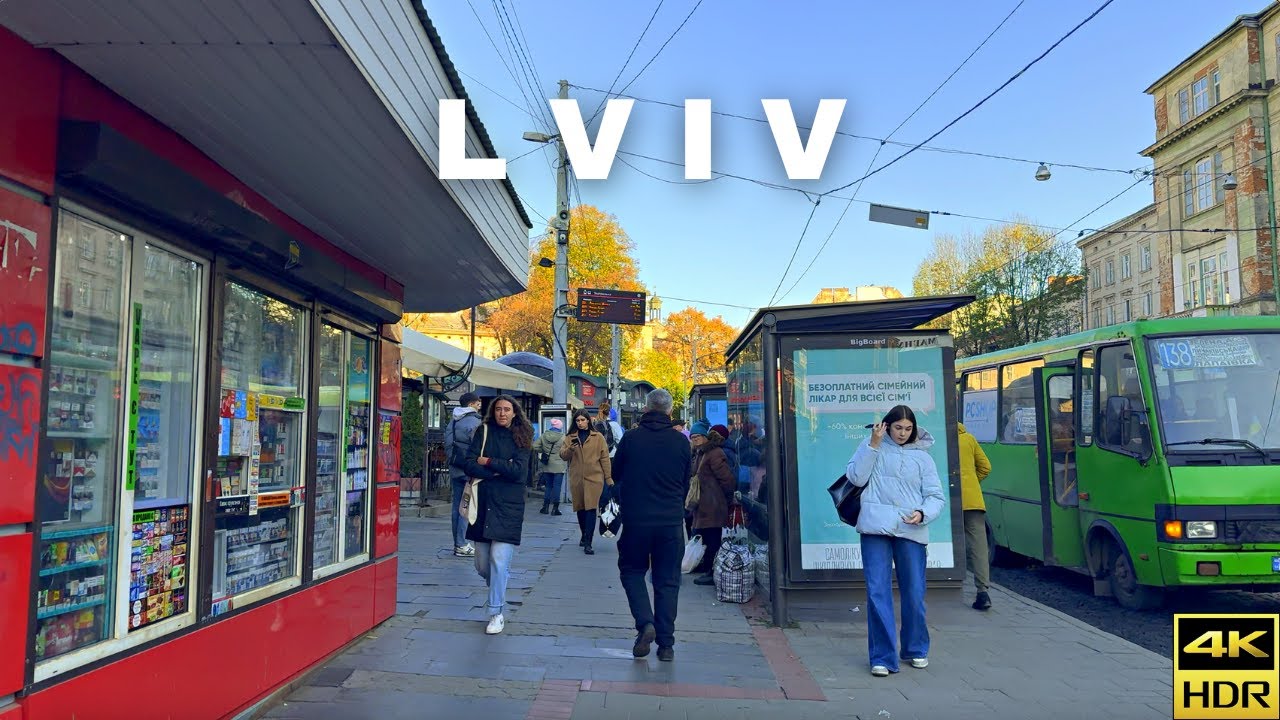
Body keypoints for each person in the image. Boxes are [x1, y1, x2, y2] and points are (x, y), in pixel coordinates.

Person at [846, 405, 946, 677]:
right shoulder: (870, 445)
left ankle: (916, 648)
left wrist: (923, 513)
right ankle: (882, 657)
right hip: (875, 529)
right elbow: (856, 477)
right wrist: (873, 445)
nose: (903, 433)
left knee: (914, 592)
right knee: (877, 592)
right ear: (887, 425)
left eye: (908, 428)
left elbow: (936, 496)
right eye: (898, 427)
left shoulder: (923, 458)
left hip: (910, 530)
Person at [613, 388, 692, 661]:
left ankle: (645, 623)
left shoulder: (631, 439)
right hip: (670, 522)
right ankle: (667, 646)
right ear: (670, 411)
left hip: (637, 520)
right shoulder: (681, 442)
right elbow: (686, 481)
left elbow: (616, 473)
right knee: (668, 581)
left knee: (632, 571)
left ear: (645, 409)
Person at [462, 394, 533, 635]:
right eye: (499, 409)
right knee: (483, 565)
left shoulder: (523, 435)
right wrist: (497, 469)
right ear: (493, 411)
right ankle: (498, 587)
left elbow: (518, 472)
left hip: (508, 506)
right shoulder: (483, 432)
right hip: (482, 504)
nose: (502, 413)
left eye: (507, 409)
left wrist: (489, 461)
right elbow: (469, 463)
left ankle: (496, 612)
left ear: (515, 412)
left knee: (499, 560)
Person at [687, 421, 736, 586]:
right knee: (707, 537)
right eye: (692, 437)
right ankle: (708, 568)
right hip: (705, 503)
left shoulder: (714, 453)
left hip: (713, 503)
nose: (694, 439)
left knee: (713, 538)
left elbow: (726, 478)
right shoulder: (701, 453)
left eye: (698, 436)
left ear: (705, 436)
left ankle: (712, 571)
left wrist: (727, 498)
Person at [560, 409, 613, 554]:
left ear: (588, 420)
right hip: (577, 478)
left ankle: (588, 542)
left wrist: (608, 478)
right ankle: (584, 534)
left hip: (594, 478)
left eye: (583, 420)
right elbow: (563, 456)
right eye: (577, 420)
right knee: (581, 508)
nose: (580, 423)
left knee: (591, 508)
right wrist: (571, 448)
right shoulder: (570, 437)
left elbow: (605, 459)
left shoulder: (598, 437)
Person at [957, 421, 993, 610]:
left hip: (946, 500)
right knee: (978, 546)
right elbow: (986, 467)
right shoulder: (968, 439)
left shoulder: (934, 440)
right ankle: (983, 592)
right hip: (972, 501)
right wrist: (970, 482)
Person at [443, 392, 482, 557]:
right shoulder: (474, 422)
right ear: (473, 404)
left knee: (456, 507)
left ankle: (457, 543)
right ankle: (461, 544)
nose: (480, 404)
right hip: (468, 470)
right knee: (466, 507)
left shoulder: (452, 421)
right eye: (478, 402)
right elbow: (479, 447)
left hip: (454, 468)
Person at [535, 418, 568, 515]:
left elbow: (534, 446)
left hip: (547, 464)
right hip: (559, 465)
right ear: (560, 427)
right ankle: (555, 509)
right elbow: (567, 451)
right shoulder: (563, 437)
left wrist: (544, 451)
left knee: (548, 486)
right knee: (557, 486)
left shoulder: (544, 435)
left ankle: (545, 508)